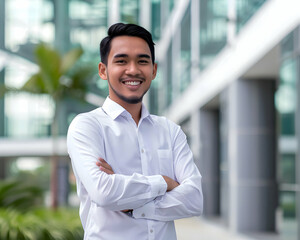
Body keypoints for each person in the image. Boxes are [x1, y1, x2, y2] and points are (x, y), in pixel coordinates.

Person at [67, 23, 203, 240]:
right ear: (103, 70)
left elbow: (194, 199)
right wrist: (164, 183)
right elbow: (104, 192)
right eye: (121, 61)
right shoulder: (87, 126)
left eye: (142, 61)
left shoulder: (170, 131)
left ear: (154, 70)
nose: (133, 70)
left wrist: (131, 206)